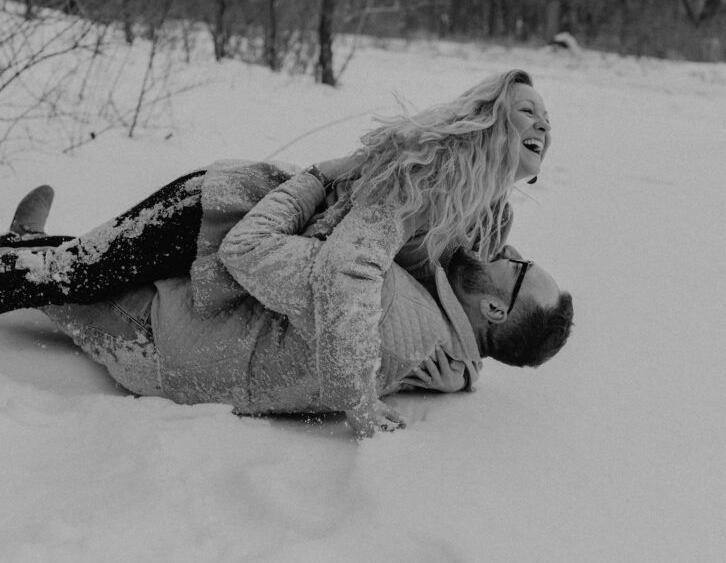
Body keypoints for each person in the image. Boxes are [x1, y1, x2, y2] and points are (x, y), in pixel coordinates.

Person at [0, 69, 562, 433]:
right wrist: (357, 395)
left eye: (547, 118)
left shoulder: (486, 214)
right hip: (214, 210)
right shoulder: (420, 179)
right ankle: (27, 251)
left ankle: (26, 246)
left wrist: (446, 368)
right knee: (72, 275)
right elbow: (351, 273)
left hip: (237, 260)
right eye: (528, 111)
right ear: (490, 123)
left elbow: (465, 294)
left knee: (85, 274)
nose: (544, 123)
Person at [2, 179, 573, 437]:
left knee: (68, 285)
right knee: (98, 261)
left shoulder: (396, 310)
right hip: (214, 332)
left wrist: (332, 180)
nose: (512, 254)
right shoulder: (445, 344)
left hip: (166, 341)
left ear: (496, 310)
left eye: (519, 268)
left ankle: (25, 259)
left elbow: (259, 249)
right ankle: (32, 246)